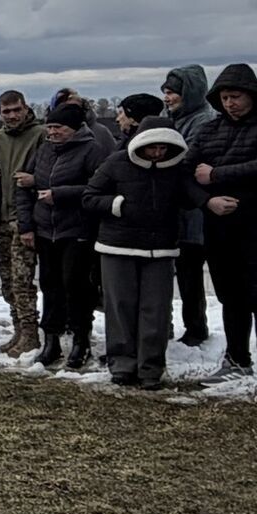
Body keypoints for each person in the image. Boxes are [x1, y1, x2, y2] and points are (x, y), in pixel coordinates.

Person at [193, 64, 257, 399]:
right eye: (224, 97)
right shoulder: (210, 131)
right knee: (229, 295)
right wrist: (206, 202)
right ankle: (237, 358)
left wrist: (216, 175)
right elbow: (186, 172)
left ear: (251, 94)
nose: (230, 103)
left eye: (235, 96)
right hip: (219, 224)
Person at [85, 115, 208, 388]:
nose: (158, 153)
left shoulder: (176, 169)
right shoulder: (116, 162)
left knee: (156, 309)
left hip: (160, 249)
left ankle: (150, 369)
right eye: (153, 147)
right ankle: (122, 365)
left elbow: (191, 197)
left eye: (164, 148)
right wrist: (117, 204)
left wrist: (208, 196)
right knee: (120, 307)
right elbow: (90, 197)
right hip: (117, 247)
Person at [21, 102, 107, 368]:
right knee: (49, 285)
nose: (52, 132)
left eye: (58, 127)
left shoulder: (92, 150)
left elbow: (98, 188)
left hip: (76, 230)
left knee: (76, 286)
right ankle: (51, 340)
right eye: (50, 127)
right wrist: (26, 225)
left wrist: (60, 194)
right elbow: (25, 183)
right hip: (46, 229)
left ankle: (81, 340)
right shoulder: (44, 150)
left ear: (74, 128)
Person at [0, 91, 45, 355]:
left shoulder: (40, 135)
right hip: (0, 218)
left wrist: (35, 181)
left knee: (23, 280)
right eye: (6, 111)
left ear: (25, 108)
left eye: (16, 110)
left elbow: (51, 169)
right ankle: (18, 330)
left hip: (26, 219)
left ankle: (31, 333)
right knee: (7, 280)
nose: (12, 115)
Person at [161, 64, 214, 344]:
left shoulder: (204, 120)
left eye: (174, 92)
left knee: (190, 273)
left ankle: (196, 327)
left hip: (194, 212)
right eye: (166, 92)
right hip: (171, 210)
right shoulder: (168, 116)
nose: (168, 98)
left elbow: (186, 158)